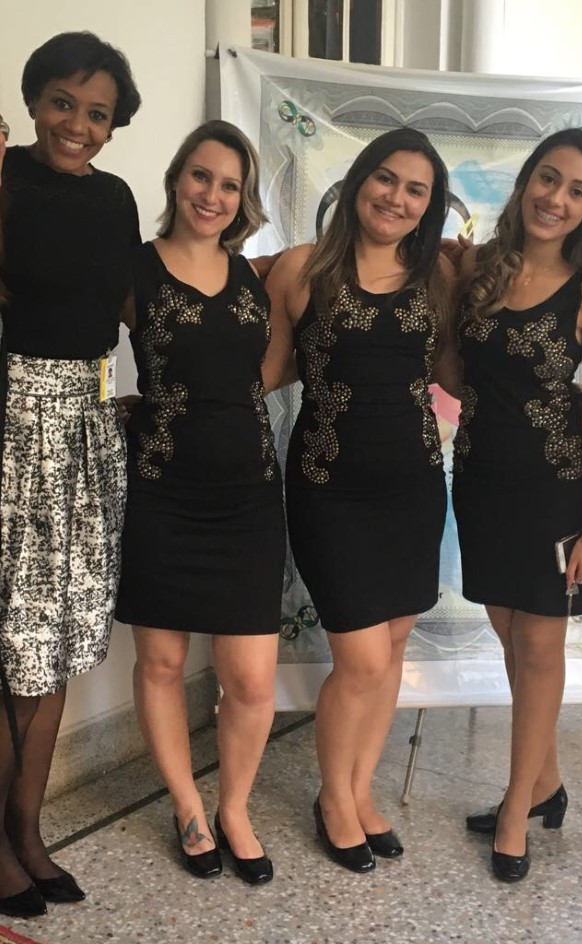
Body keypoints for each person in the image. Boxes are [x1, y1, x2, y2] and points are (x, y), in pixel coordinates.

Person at [264, 127, 455, 872]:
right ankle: (332, 800)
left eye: (415, 189)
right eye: (386, 178)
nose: (396, 198)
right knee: (364, 660)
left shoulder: (438, 275)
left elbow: (456, 371)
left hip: (413, 485)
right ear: (357, 181)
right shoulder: (301, 269)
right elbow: (269, 370)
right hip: (329, 487)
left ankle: (360, 787)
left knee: (394, 644)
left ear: (430, 205)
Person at [115, 120, 284, 886]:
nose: (212, 195)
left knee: (249, 680)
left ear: (243, 199)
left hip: (248, 498)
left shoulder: (254, 275)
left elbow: (264, 368)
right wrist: (112, 406)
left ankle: (234, 809)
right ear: (177, 178)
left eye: (229, 185)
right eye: (201, 176)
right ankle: (188, 808)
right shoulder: (134, 270)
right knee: (161, 663)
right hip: (163, 495)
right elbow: (65, 328)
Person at [0, 32, 141, 918]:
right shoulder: (5, 181)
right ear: (33, 101)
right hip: (12, 426)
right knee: (10, 645)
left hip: (87, 432)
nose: (77, 125)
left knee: (53, 648)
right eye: (62, 103)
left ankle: (26, 832)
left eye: (97, 113)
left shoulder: (116, 198)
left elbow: (130, 302)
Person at [454, 129, 582, 881]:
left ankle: (517, 808)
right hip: (481, 481)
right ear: (526, 182)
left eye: (578, 191)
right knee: (509, 637)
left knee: (541, 648)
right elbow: (457, 370)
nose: (556, 199)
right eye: (548, 179)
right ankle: (545, 782)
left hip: (555, 490)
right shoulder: (479, 269)